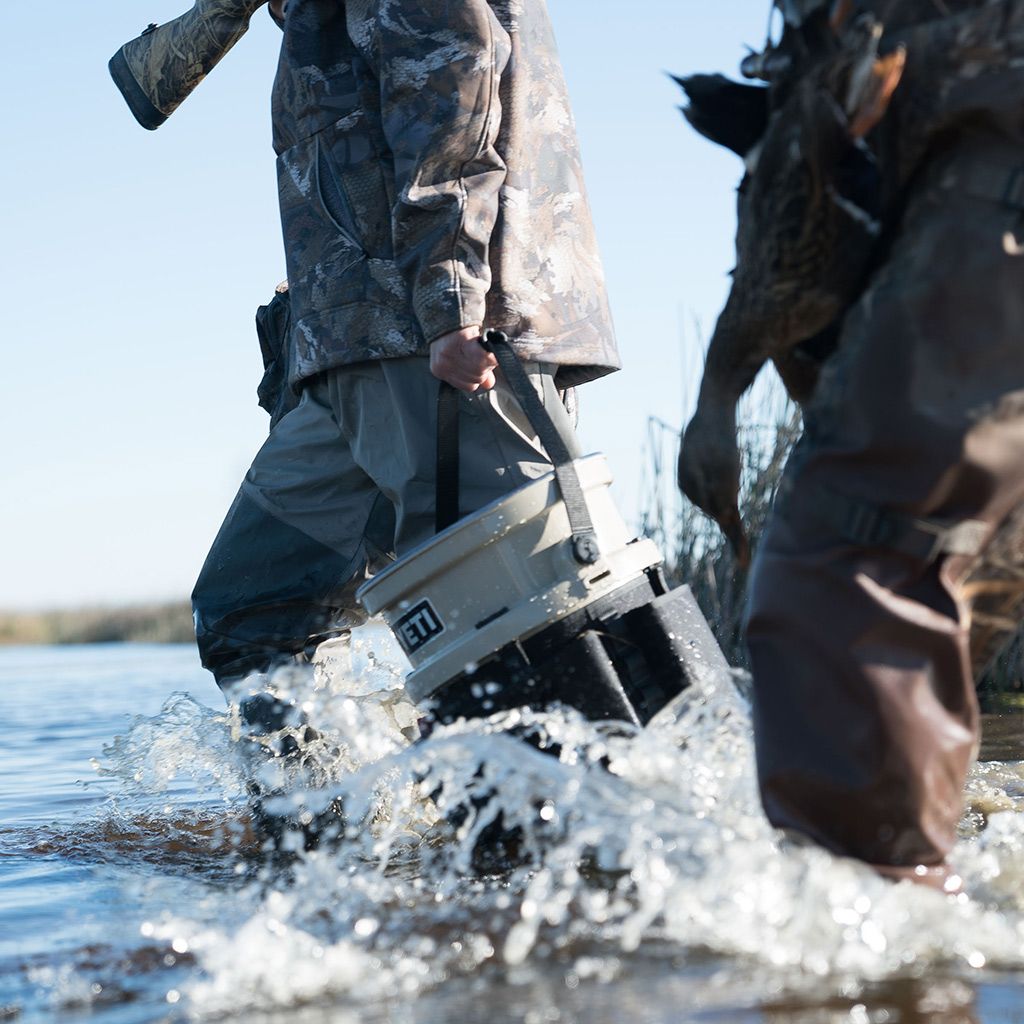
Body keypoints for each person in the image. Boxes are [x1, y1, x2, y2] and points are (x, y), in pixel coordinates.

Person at [679, 0, 1024, 887]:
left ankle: (871, 931)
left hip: (987, 140)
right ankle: (916, 906)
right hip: (958, 155)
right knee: (952, 583)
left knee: (846, 566)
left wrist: (719, 395)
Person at [191, 0, 620, 702]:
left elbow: (451, 84)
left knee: (526, 631)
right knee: (252, 615)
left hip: (438, 339)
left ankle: (619, 773)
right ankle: (356, 780)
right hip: (348, 347)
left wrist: (450, 296)